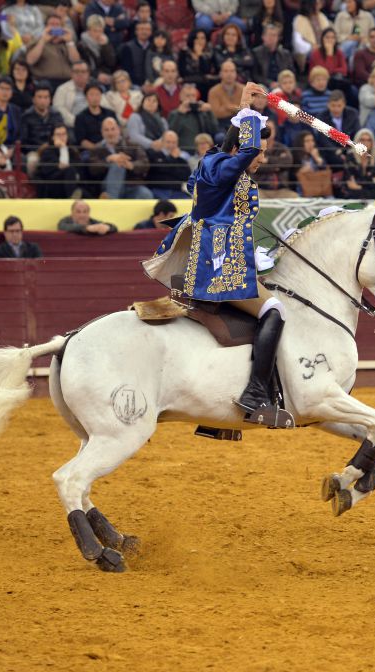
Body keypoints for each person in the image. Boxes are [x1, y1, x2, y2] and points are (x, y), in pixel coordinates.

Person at [142, 82, 293, 426]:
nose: (262, 158)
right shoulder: (220, 169)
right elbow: (240, 151)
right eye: (259, 153)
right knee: (274, 310)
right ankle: (254, 393)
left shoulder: (217, 167)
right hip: (216, 269)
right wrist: (248, 111)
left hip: (229, 259)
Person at [87, 117, 152, 198]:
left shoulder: (133, 145)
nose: (110, 133)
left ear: (118, 130)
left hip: (131, 186)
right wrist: (109, 159)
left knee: (146, 194)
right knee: (117, 165)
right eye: (106, 130)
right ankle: (111, 202)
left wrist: (130, 165)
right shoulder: (96, 148)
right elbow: (92, 169)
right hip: (107, 186)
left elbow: (145, 164)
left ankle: (111, 199)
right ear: (102, 132)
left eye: (113, 129)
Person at [25, 14, 80, 85]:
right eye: (51, 24)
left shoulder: (67, 44)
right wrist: (43, 40)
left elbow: (76, 62)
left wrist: (69, 42)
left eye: (57, 24)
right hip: (45, 81)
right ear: (46, 27)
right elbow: (30, 60)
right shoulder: (38, 42)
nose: (54, 27)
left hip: (67, 81)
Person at [20, 81, 65, 162]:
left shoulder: (56, 115)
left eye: (46, 97)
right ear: (33, 99)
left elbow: (63, 135)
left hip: (55, 149)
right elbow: (24, 143)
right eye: (39, 97)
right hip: (34, 152)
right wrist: (41, 149)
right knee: (32, 160)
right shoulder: (26, 117)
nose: (43, 101)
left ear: (50, 99)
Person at [34, 123, 81, 198]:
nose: (62, 137)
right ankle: (72, 199)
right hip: (52, 185)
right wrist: (63, 148)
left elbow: (78, 169)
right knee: (69, 170)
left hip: (70, 185)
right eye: (58, 135)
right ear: (52, 137)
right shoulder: (47, 151)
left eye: (64, 134)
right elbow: (62, 166)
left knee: (86, 195)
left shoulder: (72, 151)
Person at [147, 130, 193, 199]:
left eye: (174, 142)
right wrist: (172, 158)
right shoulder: (153, 154)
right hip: (158, 190)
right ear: (162, 142)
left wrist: (174, 160)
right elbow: (159, 169)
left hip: (177, 192)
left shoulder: (181, 159)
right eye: (168, 142)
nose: (171, 145)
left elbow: (186, 176)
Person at [251, 23, 296, 89]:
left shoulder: (285, 54)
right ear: (263, 37)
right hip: (265, 87)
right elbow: (255, 75)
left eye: (274, 35)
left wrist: (283, 83)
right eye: (269, 35)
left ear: (278, 38)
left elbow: (291, 72)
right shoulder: (256, 53)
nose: (271, 38)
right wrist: (270, 83)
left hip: (284, 86)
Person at [343, 128, 375, 199]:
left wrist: (360, 186)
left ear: (372, 143)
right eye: (362, 140)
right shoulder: (350, 157)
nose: (366, 143)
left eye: (369, 140)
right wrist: (374, 180)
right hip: (354, 194)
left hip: (371, 193)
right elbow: (350, 184)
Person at [179, 29, 218, 101]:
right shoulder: (184, 52)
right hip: (188, 82)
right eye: (197, 38)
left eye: (203, 38)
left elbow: (206, 70)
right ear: (192, 39)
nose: (200, 41)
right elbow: (182, 71)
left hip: (204, 84)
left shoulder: (210, 53)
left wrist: (200, 56)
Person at [75, 83, 118, 148]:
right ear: (86, 97)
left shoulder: (110, 113)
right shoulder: (80, 118)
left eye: (97, 94)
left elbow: (117, 132)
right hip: (91, 152)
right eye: (91, 95)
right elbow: (82, 141)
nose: (95, 98)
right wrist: (98, 150)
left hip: (112, 147)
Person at [77, 15, 118, 84]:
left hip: (106, 75)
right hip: (90, 77)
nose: (98, 34)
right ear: (88, 30)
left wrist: (105, 47)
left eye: (100, 31)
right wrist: (97, 75)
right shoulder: (81, 45)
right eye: (95, 31)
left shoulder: (106, 42)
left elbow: (111, 63)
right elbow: (84, 65)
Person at [53, 61, 91, 128]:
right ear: (71, 74)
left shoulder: (95, 88)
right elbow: (58, 109)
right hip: (71, 126)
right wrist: (77, 122)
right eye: (76, 71)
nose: (80, 74)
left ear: (88, 74)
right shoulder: (62, 89)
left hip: (92, 124)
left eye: (83, 71)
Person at [118, 20, 153, 90]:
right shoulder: (128, 47)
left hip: (151, 83)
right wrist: (141, 85)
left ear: (151, 32)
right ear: (136, 31)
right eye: (141, 29)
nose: (144, 32)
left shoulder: (154, 47)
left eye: (147, 29)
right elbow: (127, 70)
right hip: (134, 84)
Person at [208, 60, 246, 124]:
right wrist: (237, 108)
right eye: (226, 71)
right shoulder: (213, 91)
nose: (229, 74)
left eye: (232, 71)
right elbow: (216, 114)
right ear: (220, 74)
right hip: (221, 124)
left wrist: (226, 107)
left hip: (242, 123)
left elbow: (245, 111)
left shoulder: (244, 89)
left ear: (236, 73)